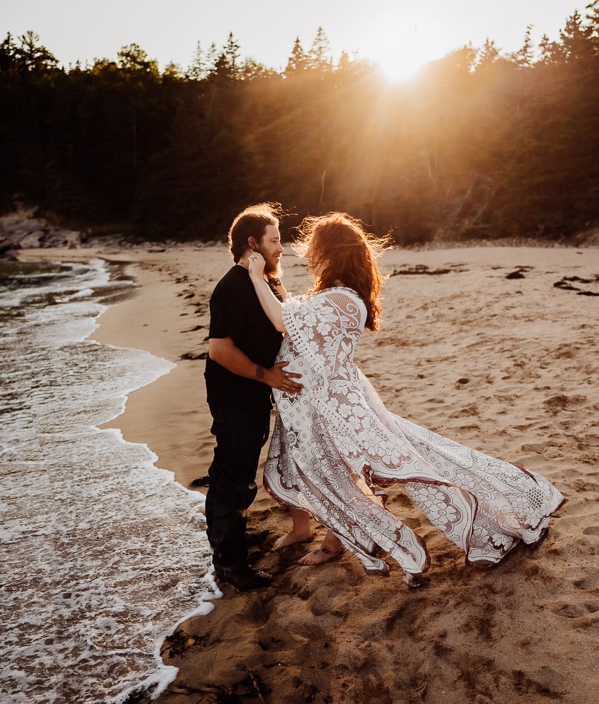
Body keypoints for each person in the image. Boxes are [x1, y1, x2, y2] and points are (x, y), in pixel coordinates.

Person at [248, 212, 564, 584]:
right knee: (346, 470)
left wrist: (255, 276)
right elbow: (293, 316)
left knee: (414, 466)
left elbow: (284, 322)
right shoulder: (330, 295)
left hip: (341, 408)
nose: (309, 257)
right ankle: (337, 540)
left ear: (333, 253)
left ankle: (503, 512)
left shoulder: (345, 300)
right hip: (323, 406)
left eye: (315, 250)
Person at [204, 203, 302, 590]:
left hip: (254, 396)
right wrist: (268, 376)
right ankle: (230, 566)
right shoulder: (232, 287)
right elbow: (219, 350)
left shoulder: (263, 282)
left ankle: (232, 545)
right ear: (252, 243)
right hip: (234, 398)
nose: (282, 247)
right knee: (232, 478)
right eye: (275, 240)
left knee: (238, 474)